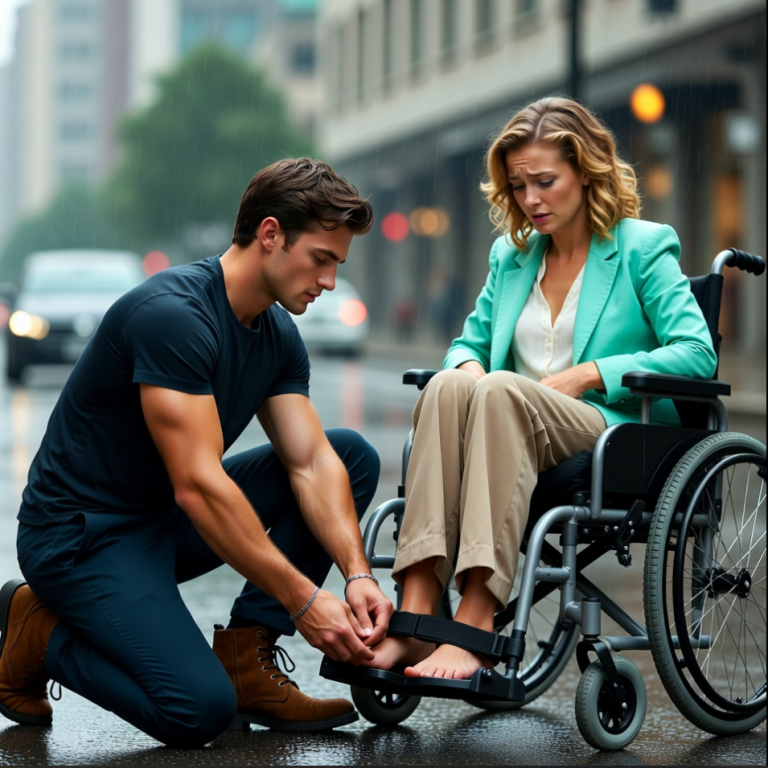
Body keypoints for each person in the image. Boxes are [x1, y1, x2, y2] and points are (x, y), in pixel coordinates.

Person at [0, 158, 394, 746]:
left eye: (337, 264)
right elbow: (200, 485)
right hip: (79, 538)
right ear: (270, 235)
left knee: (349, 455)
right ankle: (40, 632)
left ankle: (245, 655)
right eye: (322, 259)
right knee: (196, 711)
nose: (330, 281)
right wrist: (305, 600)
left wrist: (356, 573)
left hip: (161, 523)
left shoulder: (277, 334)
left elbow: (310, 462)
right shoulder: (174, 318)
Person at [364, 96, 718, 680]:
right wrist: (467, 370)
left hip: (604, 426)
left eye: (546, 181)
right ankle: (419, 605)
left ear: (586, 172)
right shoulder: (513, 255)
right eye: (519, 185)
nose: (531, 200)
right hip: (509, 419)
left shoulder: (643, 247)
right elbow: (467, 345)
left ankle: (478, 617)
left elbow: (697, 354)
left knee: (500, 389)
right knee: (450, 388)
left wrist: (588, 375)